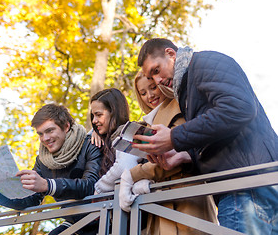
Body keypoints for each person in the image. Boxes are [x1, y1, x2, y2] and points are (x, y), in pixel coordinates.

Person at [131, 38, 278, 234]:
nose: (157, 81)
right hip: (244, 185)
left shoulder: (204, 63)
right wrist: (184, 155)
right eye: (151, 76)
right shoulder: (188, 85)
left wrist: (174, 136)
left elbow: (239, 108)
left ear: (171, 54)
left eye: (156, 70)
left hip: (246, 186)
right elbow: (218, 131)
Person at [0, 103, 103, 235]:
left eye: (50, 131)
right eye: (40, 134)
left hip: (101, 220)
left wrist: (47, 185)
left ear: (66, 126)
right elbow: (29, 200)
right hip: (73, 223)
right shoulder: (42, 160)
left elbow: (92, 185)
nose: (45, 139)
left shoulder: (90, 143)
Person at [119, 70, 217, 235]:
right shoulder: (149, 122)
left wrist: (133, 175)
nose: (149, 96)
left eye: (153, 88)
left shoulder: (179, 109)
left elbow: (173, 157)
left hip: (187, 202)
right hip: (162, 205)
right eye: (143, 93)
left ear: (161, 84)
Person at [90, 88, 142, 194]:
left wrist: (98, 189)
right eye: (93, 116)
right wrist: (93, 132)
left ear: (114, 112)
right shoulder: (106, 138)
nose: (94, 121)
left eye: (99, 115)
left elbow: (124, 166)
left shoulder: (128, 133)